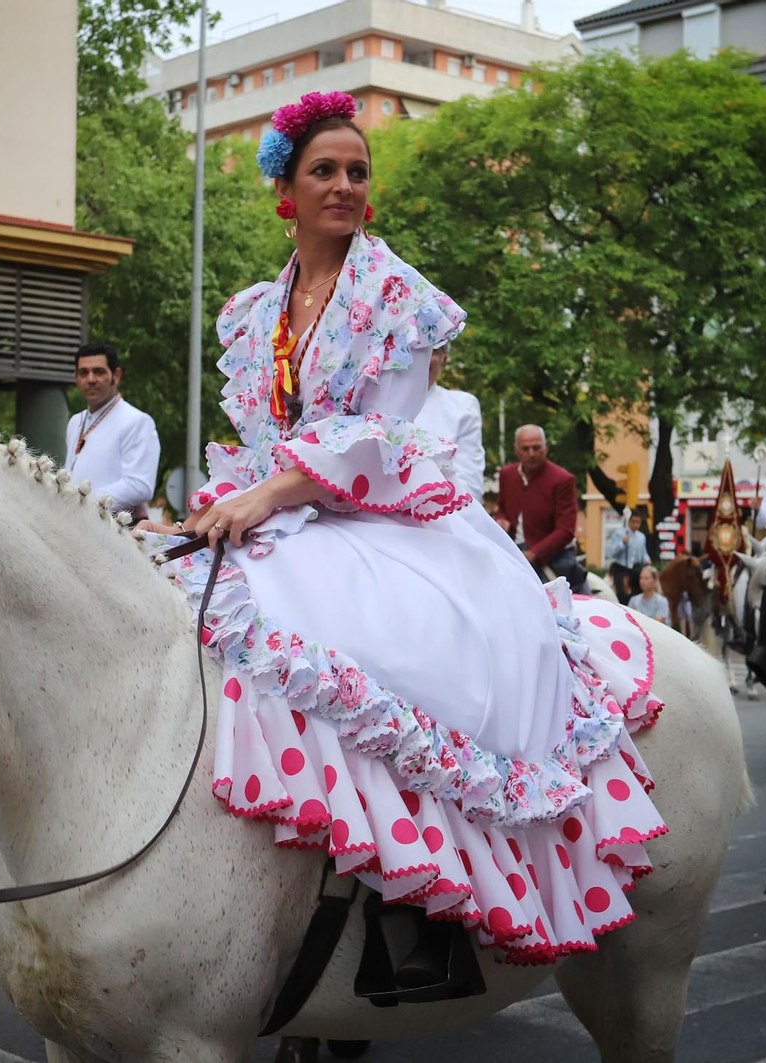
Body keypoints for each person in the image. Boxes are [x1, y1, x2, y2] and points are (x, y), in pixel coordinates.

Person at [142, 92, 665, 985]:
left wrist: (267, 495)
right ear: (287, 189)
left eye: (356, 171)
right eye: (325, 171)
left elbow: (378, 438)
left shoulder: (396, 296)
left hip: (383, 513)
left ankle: (424, 904)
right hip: (289, 504)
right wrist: (225, 502)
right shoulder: (256, 309)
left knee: (395, 648)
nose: (344, 185)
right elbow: (269, 436)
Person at [62, 340, 160, 523]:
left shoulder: (137, 421)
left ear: (116, 375)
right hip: (75, 524)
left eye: (99, 372)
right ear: (76, 378)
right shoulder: (75, 421)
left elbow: (140, 486)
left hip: (116, 530)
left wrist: (84, 500)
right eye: (83, 373)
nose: (91, 379)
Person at [497, 425, 585, 591]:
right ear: (517, 450)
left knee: (574, 602)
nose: (531, 453)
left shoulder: (563, 479)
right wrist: (501, 519)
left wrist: (534, 554)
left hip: (552, 556)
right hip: (514, 552)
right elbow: (501, 508)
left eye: (536, 447)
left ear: (546, 448)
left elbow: (565, 530)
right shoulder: (506, 475)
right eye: (525, 448)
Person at [414, 343, 483, 499]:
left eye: (433, 351)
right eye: (414, 348)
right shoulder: (369, 403)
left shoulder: (462, 408)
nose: (422, 357)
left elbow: (469, 485)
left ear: (444, 360)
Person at [605, 510, 650, 605]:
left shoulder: (641, 537)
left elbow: (644, 553)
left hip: (636, 568)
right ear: (629, 522)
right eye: (633, 522)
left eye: (638, 522)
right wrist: (622, 543)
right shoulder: (620, 534)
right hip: (622, 567)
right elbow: (613, 552)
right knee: (622, 593)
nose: (635, 525)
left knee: (639, 589)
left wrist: (647, 560)